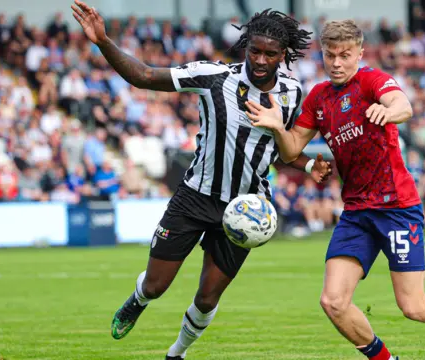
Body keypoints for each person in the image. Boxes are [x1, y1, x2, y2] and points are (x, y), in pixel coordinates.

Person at [246, 19, 425, 360]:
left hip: (396, 207)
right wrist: (276, 126)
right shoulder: (318, 97)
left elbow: (404, 106)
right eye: (330, 55)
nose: (336, 63)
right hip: (357, 213)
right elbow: (290, 151)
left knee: (414, 306)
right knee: (333, 302)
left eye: (345, 55)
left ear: (359, 53)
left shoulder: (371, 81)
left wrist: (387, 109)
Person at [71, 2, 333, 359]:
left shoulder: (292, 92)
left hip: (247, 207)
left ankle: (176, 353)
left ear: (283, 55)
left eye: (269, 54)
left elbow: (282, 150)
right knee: (155, 285)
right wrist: (103, 41)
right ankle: (138, 300)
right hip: (195, 196)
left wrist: (305, 166)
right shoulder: (214, 77)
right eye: (254, 50)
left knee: (208, 296)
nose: (259, 60)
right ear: (245, 47)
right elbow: (145, 76)